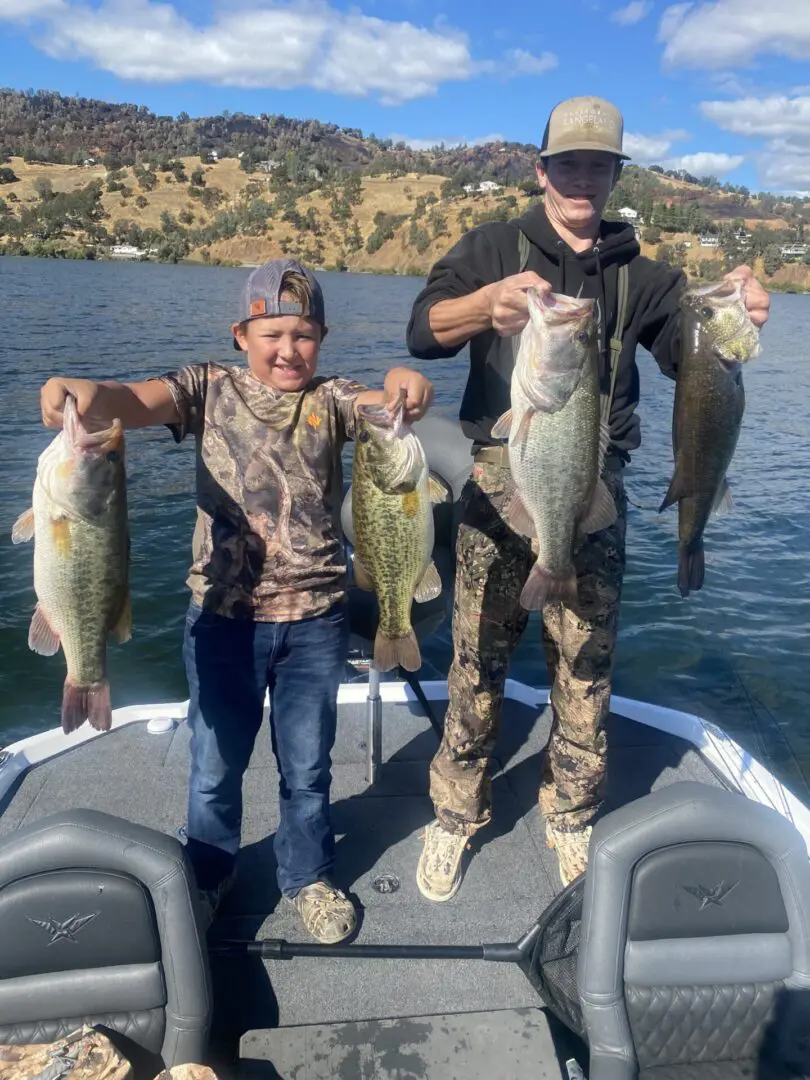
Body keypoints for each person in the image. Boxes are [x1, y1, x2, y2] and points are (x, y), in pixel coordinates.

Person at [405, 96, 771, 894]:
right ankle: (456, 817)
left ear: (614, 175)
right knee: (476, 664)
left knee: (586, 668)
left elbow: (694, 354)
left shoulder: (644, 273)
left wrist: (741, 320)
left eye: (597, 164)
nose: (581, 178)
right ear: (541, 170)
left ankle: (570, 815)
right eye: (566, 162)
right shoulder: (493, 245)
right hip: (501, 485)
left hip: (595, 488)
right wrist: (483, 306)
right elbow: (422, 330)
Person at [40, 258, 435, 943]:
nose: (288, 350)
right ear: (241, 334)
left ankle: (308, 875)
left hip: (315, 622)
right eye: (272, 333)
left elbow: (376, 403)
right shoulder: (206, 388)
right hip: (223, 622)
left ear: (323, 337)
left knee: (308, 769)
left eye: (304, 335)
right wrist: (81, 391)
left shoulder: (331, 397)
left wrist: (401, 386)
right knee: (215, 766)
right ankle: (207, 874)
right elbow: (130, 402)